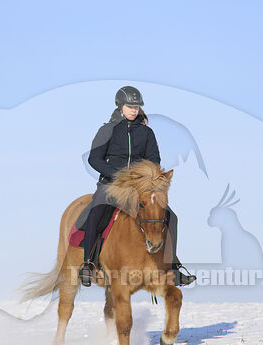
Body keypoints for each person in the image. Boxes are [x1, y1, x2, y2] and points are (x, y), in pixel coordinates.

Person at [80, 86, 196, 288]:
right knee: (96, 212)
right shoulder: (107, 130)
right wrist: (115, 174)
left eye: (136, 106)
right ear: (120, 106)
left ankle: (173, 267)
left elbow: (154, 160)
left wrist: (146, 178)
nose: (134, 110)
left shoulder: (146, 133)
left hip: (140, 188)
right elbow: (94, 158)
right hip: (112, 184)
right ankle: (88, 264)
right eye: (130, 106)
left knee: (171, 216)